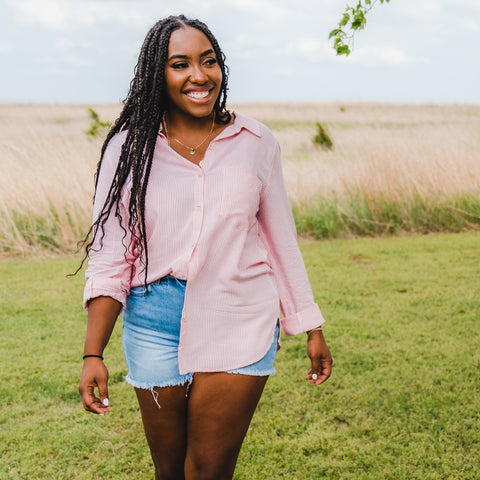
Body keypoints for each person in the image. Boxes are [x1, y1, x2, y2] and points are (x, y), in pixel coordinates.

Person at [78, 14, 332, 480]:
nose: (199, 75)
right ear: (159, 74)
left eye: (208, 61)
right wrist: (93, 353)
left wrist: (309, 324)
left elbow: (281, 240)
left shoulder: (256, 142)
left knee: (209, 471)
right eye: (180, 64)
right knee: (170, 471)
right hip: (153, 322)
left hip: (239, 313)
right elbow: (112, 254)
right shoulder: (128, 148)